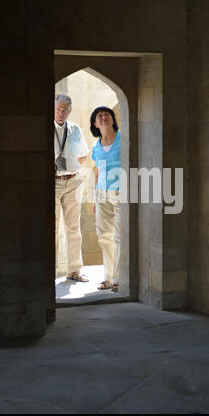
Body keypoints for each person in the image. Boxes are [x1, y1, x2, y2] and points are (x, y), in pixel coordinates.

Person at [54, 93, 89, 282]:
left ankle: (74, 270)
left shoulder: (75, 129)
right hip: (52, 182)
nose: (60, 113)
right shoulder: (46, 126)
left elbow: (83, 155)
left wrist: (72, 167)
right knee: (51, 227)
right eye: (58, 109)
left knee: (73, 228)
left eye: (64, 110)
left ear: (70, 110)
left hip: (73, 180)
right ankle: (48, 271)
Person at [90, 106, 121, 293]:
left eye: (106, 115)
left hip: (122, 193)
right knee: (104, 236)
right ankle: (108, 278)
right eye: (99, 116)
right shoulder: (96, 146)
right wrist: (95, 199)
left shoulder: (123, 138)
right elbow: (98, 171)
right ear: (95, 123)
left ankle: (119, 278)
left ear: (112, 119)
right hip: (101, 193)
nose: (103, 118)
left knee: (119, 236)